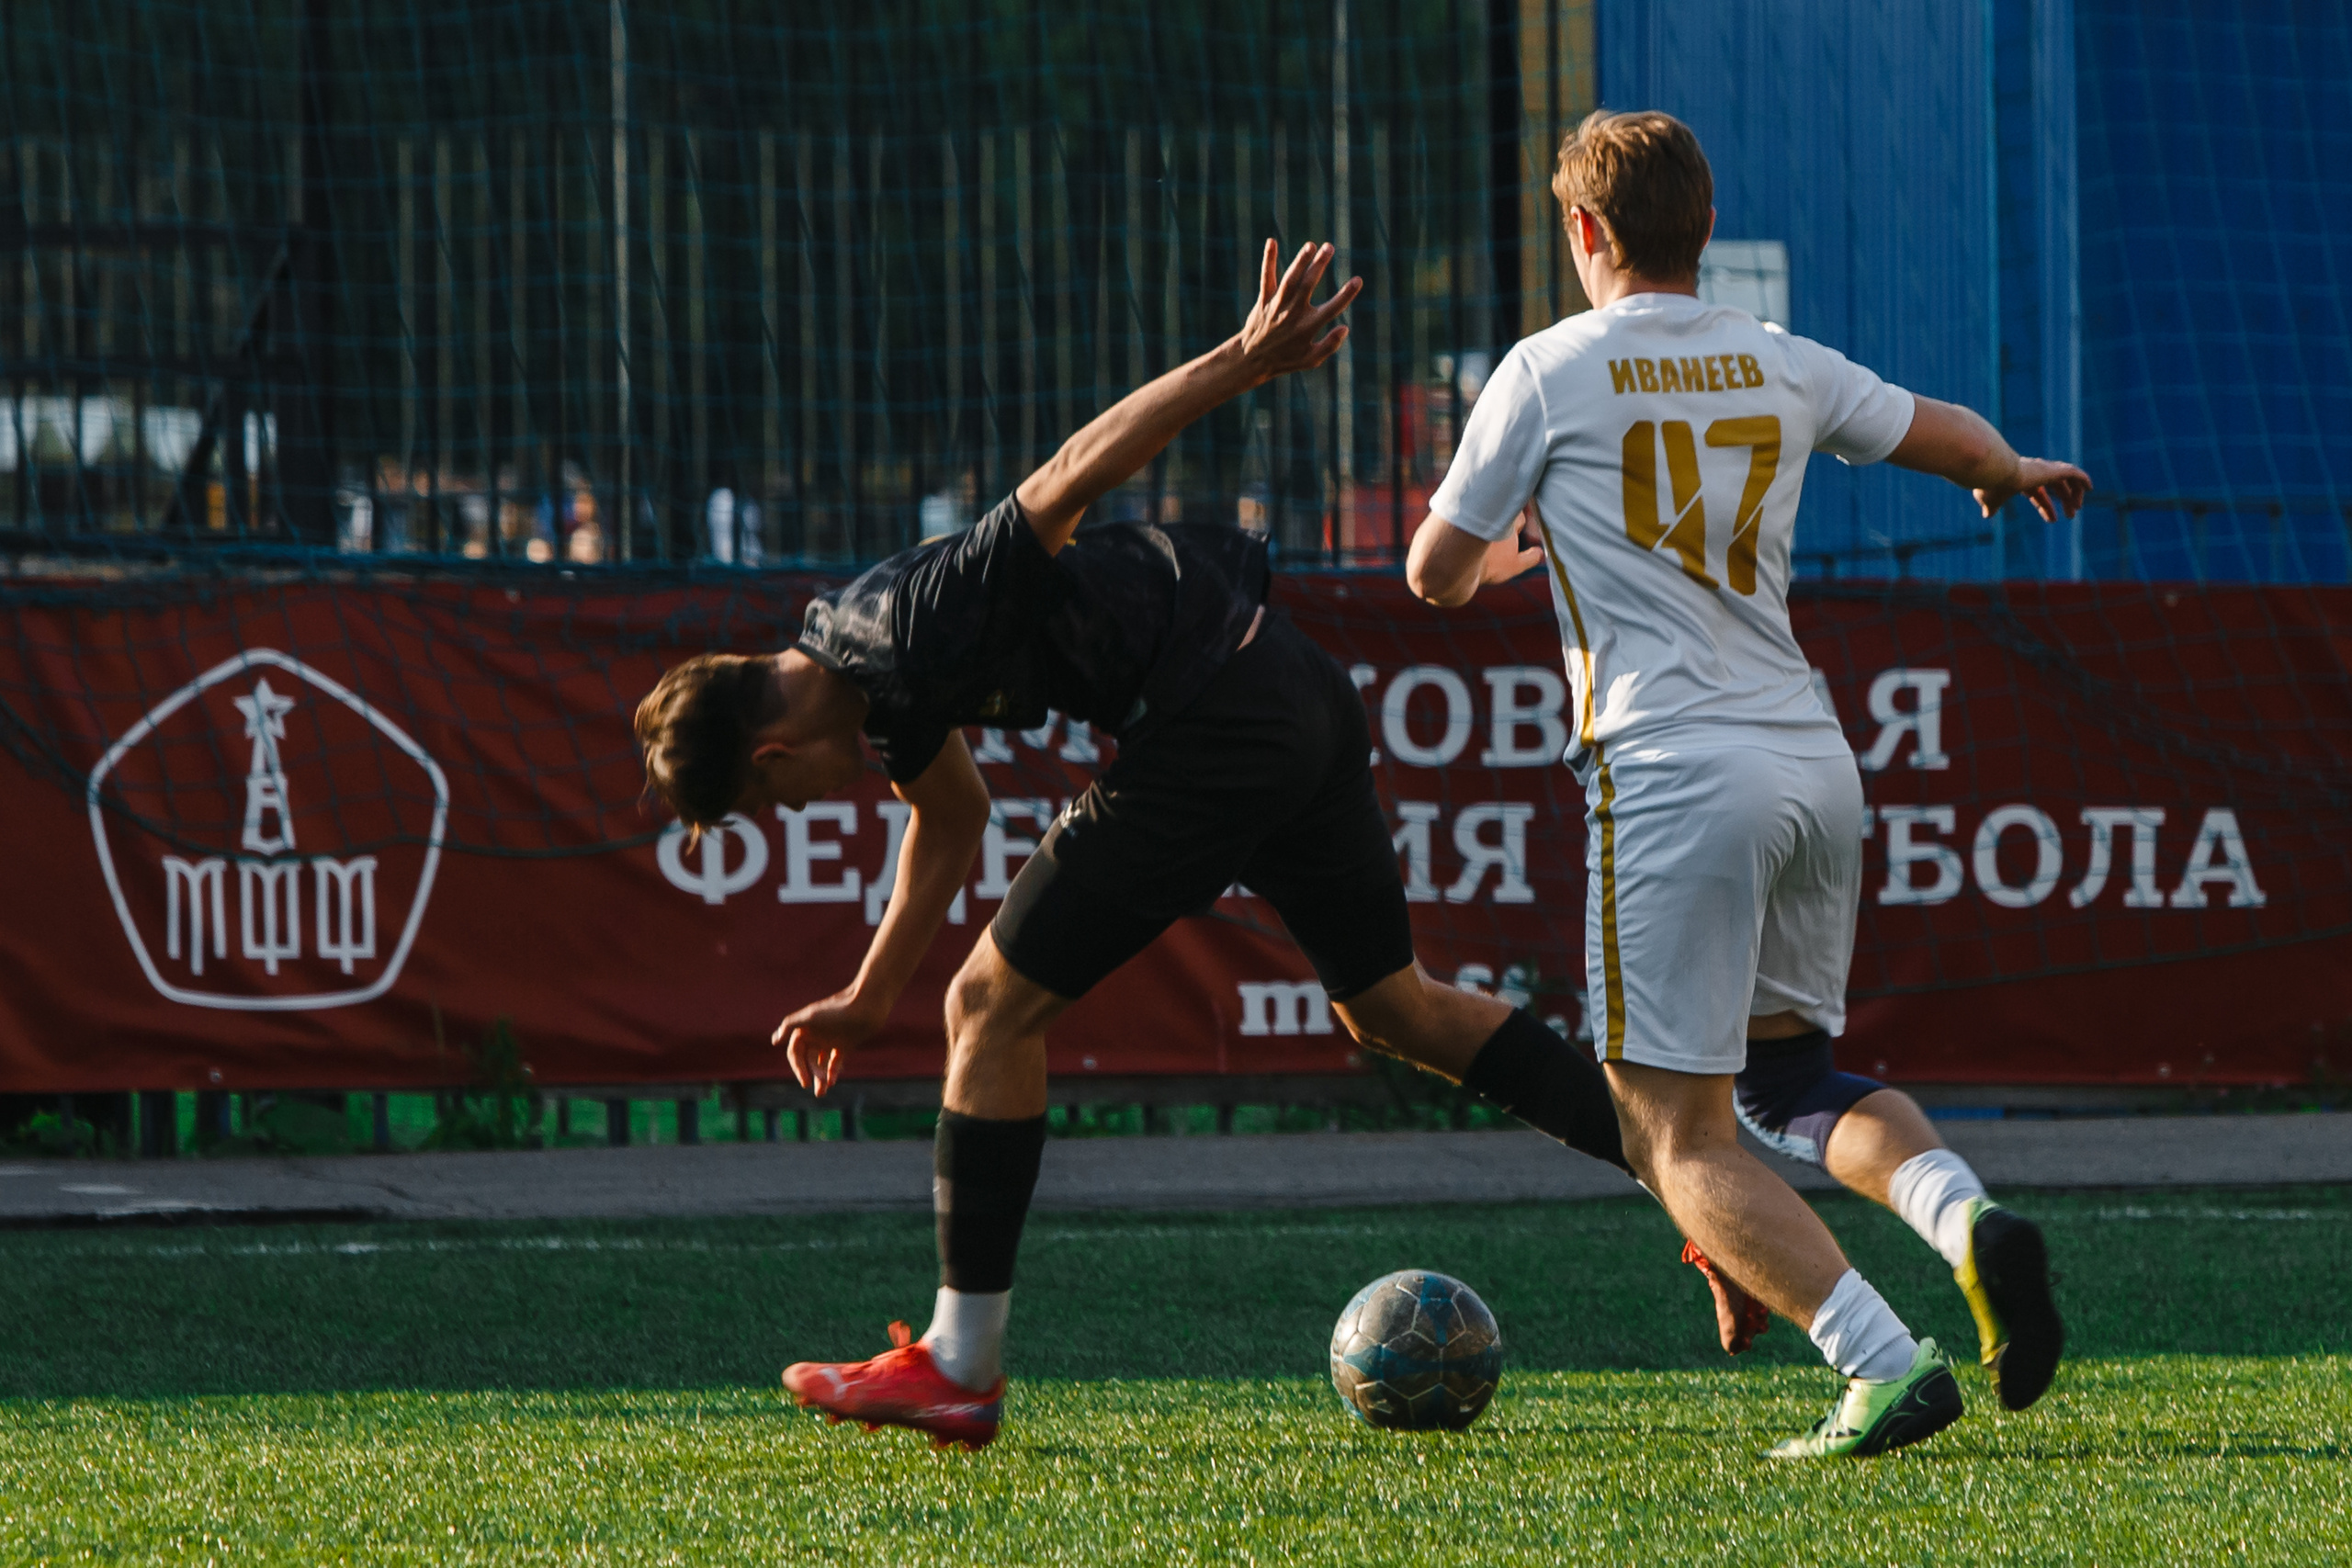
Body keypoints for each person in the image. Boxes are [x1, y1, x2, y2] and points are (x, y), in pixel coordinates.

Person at [634, 241, 1634, 1451]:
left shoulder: (903, 629)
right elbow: (951, 820)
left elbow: (1068, 474)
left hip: (1219, 714)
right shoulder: (865, 678)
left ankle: (959, 1367)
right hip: (1291, 690)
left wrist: (1245, 359)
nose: (799, 814)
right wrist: (866, 994)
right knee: (1397, 1013)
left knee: (992, 1008)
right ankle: (1686, 1182)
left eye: (772, 807)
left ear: (771, 758)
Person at [1405, 109, 2084, 1458]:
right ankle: (1968, 1220)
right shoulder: (1776, 359)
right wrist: (2011, 467)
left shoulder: (1548, 371)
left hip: (1668, 773)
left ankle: (1881, 1364)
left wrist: (1513, 549)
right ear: (1703, 230)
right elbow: (1937, 433)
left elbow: (1432, 571)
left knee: (1671, 1133)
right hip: (1811, 763)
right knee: (1790, 1081)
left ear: (1586, 233)